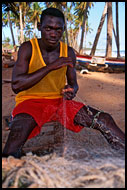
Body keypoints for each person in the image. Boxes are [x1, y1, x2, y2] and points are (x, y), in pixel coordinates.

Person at [2, 8, 125, 158]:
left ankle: (121, 159)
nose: (53, 34)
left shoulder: (68, 52)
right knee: (14, 142)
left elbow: (74, 84)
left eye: (58, 29)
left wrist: (71, 90)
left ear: (63, 30)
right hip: (29, 103)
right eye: (48, 28)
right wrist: (50, 67)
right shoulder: (28, 48)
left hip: (59, 103)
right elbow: (16, 86)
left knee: (104, 120)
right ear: (39, 27)